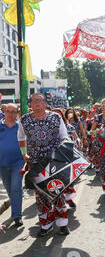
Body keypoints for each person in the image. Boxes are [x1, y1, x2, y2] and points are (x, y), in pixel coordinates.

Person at [17, 93, 70, 236]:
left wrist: (62, 149)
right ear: (31, 104)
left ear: (45, 103)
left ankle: (62, 223)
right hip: (35, 162)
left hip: (54, 161)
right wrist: (24, 154)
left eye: (40, 101)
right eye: (34, 101)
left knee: (57, 191)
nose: (37, 103)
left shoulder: (56, 117)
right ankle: (46, 224)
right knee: (40, 195)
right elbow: (21, 138)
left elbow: (64, 136)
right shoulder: (24, 120)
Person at [0, 104, 25, 227]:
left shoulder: (21, 127)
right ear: (4, 112)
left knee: (16, 187)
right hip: (2, 164)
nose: (10, 114)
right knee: (10, 189)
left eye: (13, 112)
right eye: (8, 111)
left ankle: (17, 216)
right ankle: (16, 203)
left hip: (18, 162)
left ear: (17, 113)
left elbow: (27, 143)